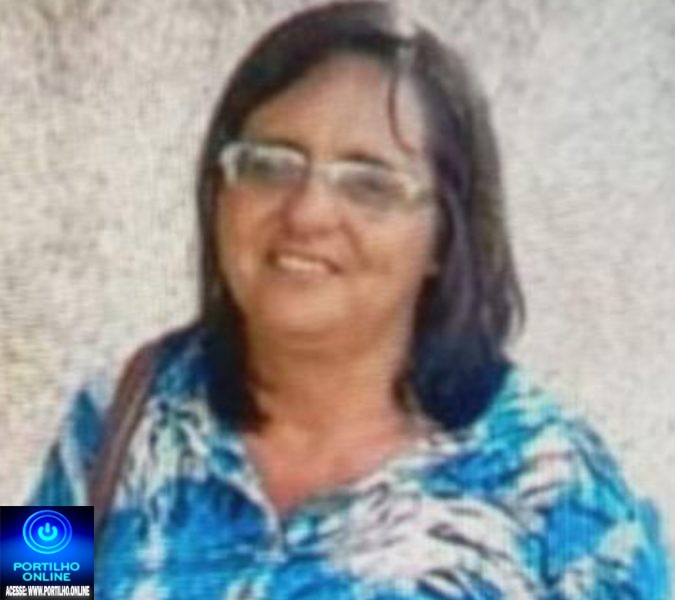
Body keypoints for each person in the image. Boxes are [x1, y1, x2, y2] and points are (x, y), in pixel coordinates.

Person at [31, 2, 669, 598]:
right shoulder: (113, 417)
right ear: (219, 190)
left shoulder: (555, 486)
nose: (307, 212)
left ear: (445, 237)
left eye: (370, 184)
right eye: (270, 164)